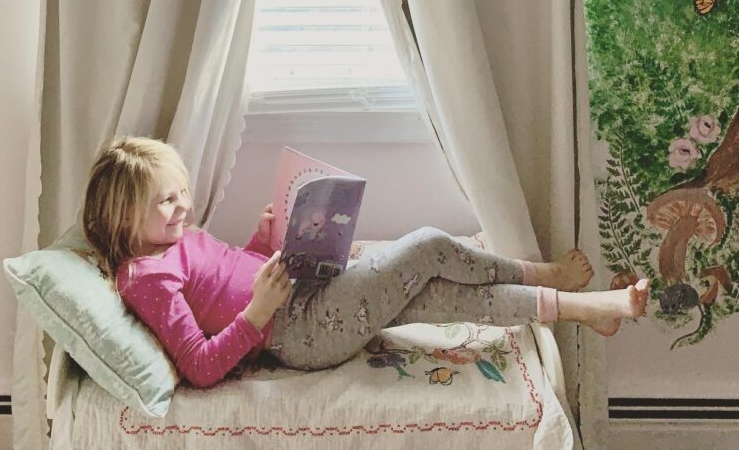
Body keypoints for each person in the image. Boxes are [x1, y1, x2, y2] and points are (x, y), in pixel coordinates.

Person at [82, 136, 649, 389]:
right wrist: (259, 312)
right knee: (428, 245)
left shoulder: (172, 242)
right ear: (125, 216)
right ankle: (539, 273)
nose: (183, 206)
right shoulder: (147, 279)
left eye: (181, 192)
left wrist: (262, 242)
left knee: (444, 294)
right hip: (301, 333)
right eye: (166, 200)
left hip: (302, 300)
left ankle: (586, 309)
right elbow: (200, 367)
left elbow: (225, 284)